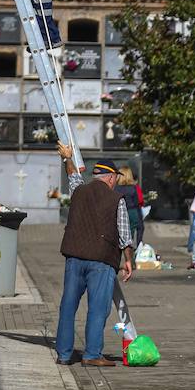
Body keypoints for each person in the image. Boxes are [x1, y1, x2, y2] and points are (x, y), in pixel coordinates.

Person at [55, 143, 135, 367]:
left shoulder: (79, 191)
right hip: (101, 260)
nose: (116, 182)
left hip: (74, 257)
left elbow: (72, 175)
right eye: (116, 178)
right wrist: (128, 260)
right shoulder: (116, 199)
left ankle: (63, 355)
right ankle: (91, 355)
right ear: (110, 178)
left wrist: (67, 158)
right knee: (98, 309)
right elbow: (124, 234)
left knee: (68, 307)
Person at [116, 165, 145, 248]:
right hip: (132, 212)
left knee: (120, 234)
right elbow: (138, 203)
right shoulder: (133, 188)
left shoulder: (116, 189)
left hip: (120, 211)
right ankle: (130, 255)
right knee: (130, 236)